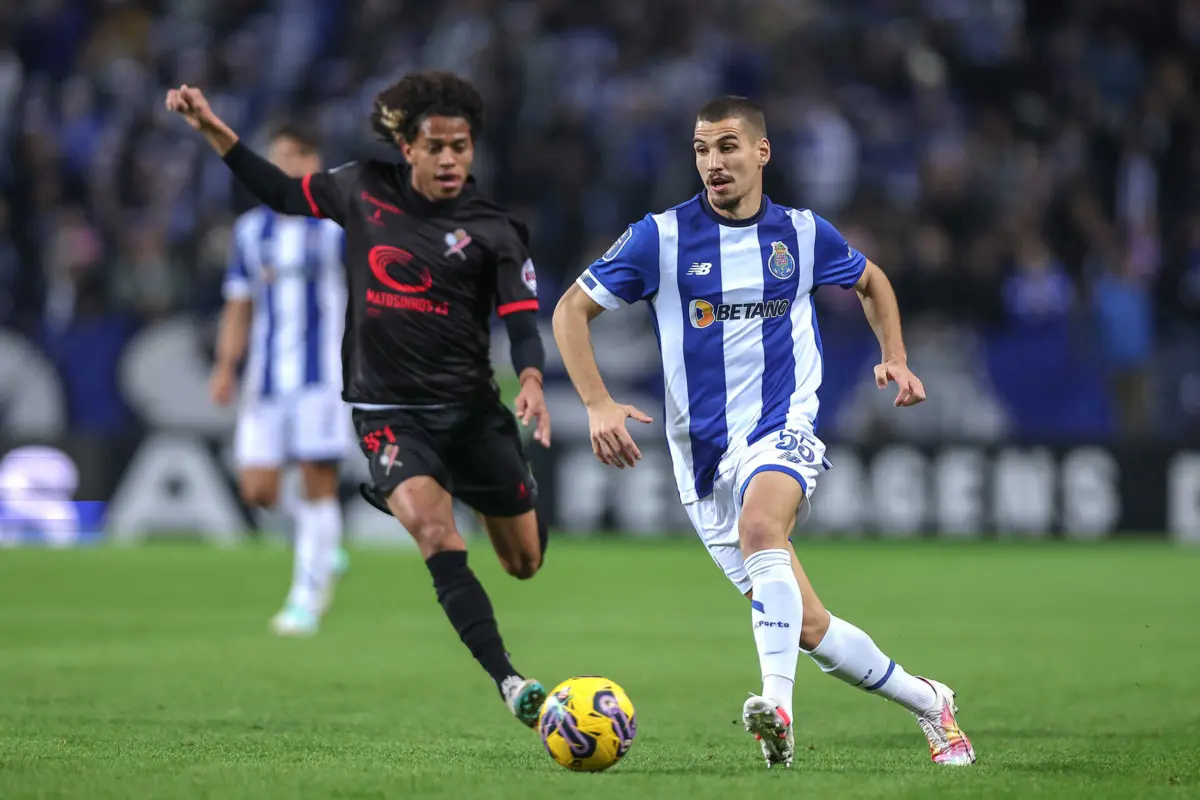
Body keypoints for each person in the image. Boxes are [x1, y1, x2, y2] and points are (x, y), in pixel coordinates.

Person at [553, 95, 976, 768]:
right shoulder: (658, 239)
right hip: (702, 462)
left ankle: (777, 711)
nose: (712, 163)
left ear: (760, 152)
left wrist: (894, 356)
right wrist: (597, 402)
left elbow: (871, 281)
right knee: (810, 628)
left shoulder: (803, 235)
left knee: (761, 530)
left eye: (726, 147)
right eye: (700, 150)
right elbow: (571, 310)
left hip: (783, 429)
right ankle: (932, 702)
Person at [169, 70, 552, 726]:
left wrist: (534, 379)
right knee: (435, 534)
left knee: (523, 563)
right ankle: (510, 681)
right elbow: (283, 193)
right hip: (388, 414)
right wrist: (212, 129)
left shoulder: (495, 230)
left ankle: (489, 496)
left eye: (461, 146)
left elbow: (520, 321)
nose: (450, 158)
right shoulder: (362, 189)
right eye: (436, 146)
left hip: (470, 413)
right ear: (408, 148)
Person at [211, 122, 351, 638]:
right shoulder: (251, 232)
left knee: (317, 485)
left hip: (322, 378)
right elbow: (238, 305)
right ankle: (322, 541)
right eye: (279, 158)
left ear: (315, 163)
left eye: (298, 156)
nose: (288, 166)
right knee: (258, 490)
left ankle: (305, 601)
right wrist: (227, 366)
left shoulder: (336, 226)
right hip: (267, 380)